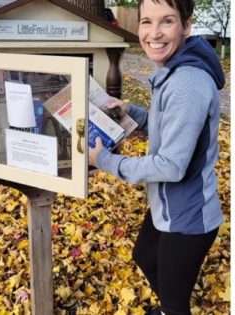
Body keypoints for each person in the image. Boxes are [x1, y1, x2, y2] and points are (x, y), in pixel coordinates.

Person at [88, 0, 224, 314]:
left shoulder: (187, 83)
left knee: (176, 303)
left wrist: (105, 161)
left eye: (167, 21)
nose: (154, 33)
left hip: (189, 216)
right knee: (145, 256)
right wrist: (130, 113)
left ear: (186, 26)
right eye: (146, 22)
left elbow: (172, 165)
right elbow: (171, 130)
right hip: (168, 205)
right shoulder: (174, 71)